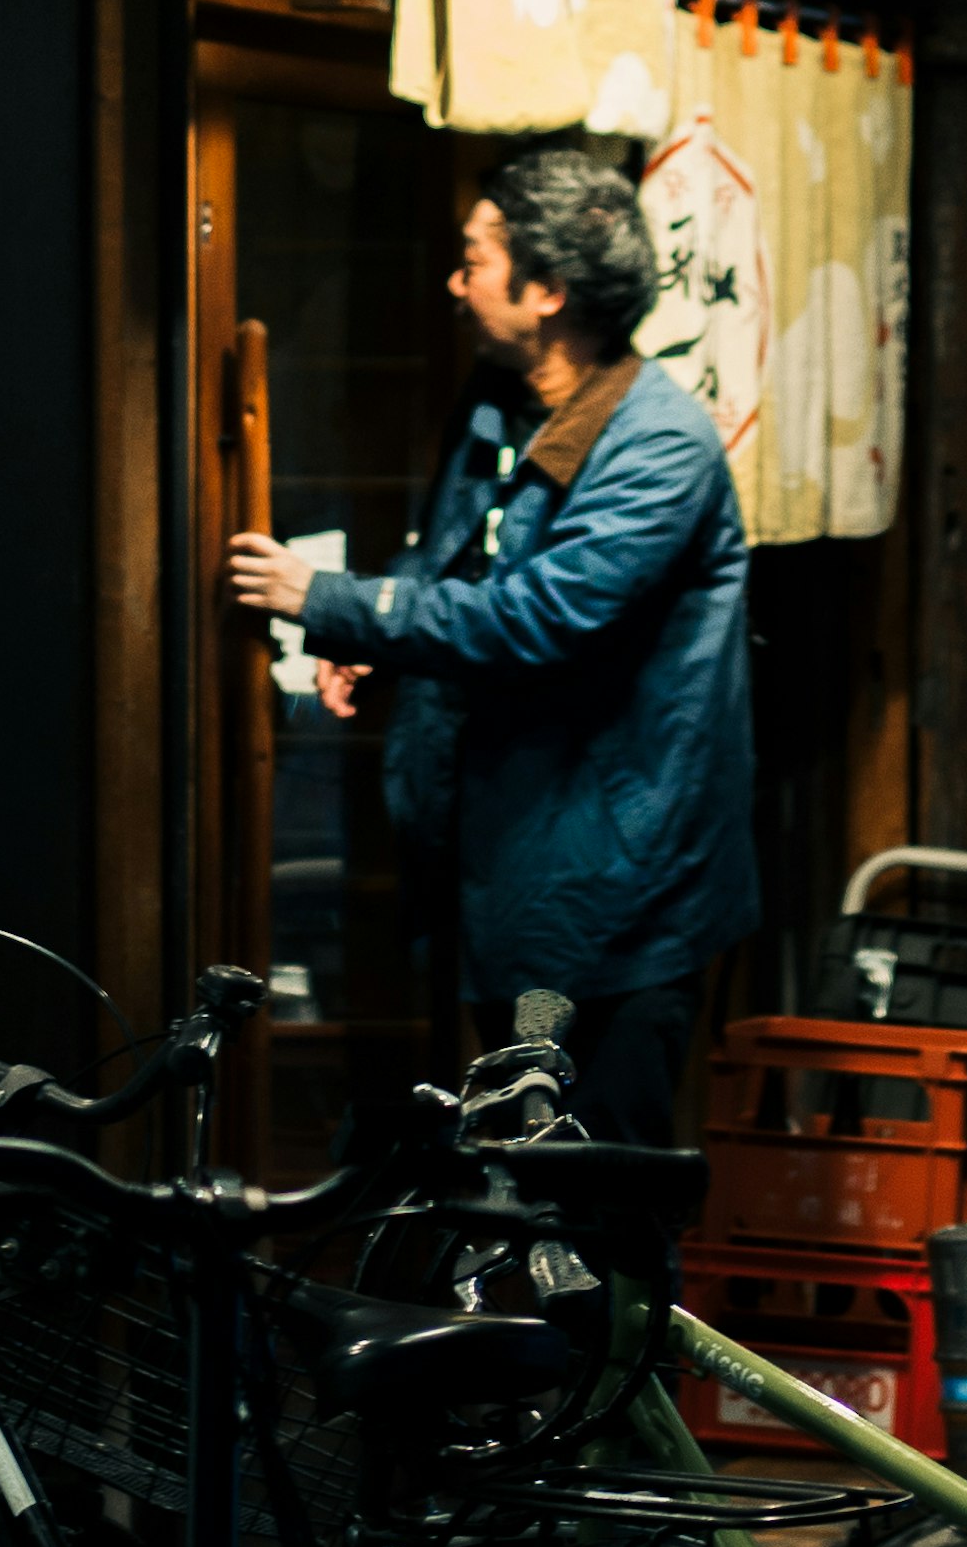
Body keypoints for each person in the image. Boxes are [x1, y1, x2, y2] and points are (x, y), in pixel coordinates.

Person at [227, 139, 757, 1144]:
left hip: (620, 903)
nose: (455, 281)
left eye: (475, 258)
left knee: (598, 1197)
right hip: (512, 877)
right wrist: (389, 630)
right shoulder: (501, 405)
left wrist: (337, 602)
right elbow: (459, 561)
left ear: (547, 288)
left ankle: (615, 1310)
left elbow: (537, 617)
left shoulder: (659, 444)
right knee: (514, 1178)